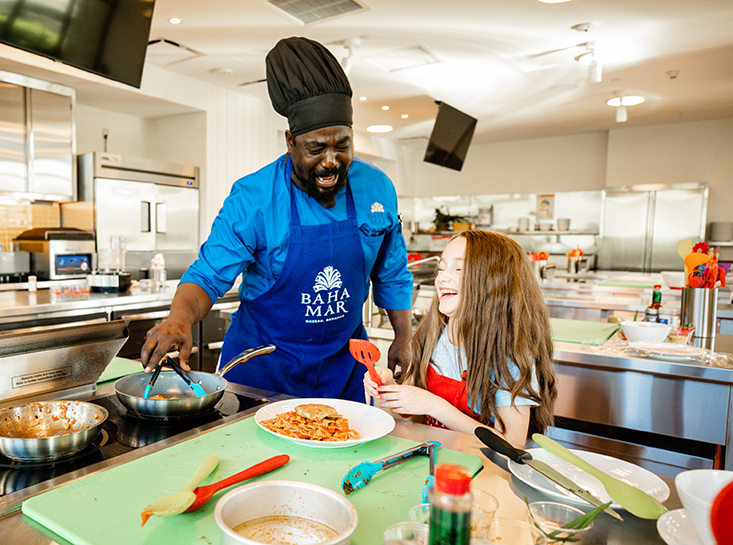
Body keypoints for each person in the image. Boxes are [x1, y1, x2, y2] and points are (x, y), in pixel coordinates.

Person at [141, 36, 414, 402]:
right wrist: (179, 318)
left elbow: (391, 272)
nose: (330, 160)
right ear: (290, 141)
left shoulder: (377, 188)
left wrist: (403, 335)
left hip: (344, 367)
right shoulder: (253, 198)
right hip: (262, 368)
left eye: (342, 145)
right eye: (316, 148)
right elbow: (207, 275)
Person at [364, 230, 557, 447]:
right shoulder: (430, 336)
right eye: (441, 268)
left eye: (458, 269)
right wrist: (388, 387)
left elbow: (512, 443)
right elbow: (410, 413)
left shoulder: (509, 355)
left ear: (495, 284)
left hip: (483, 470)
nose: (442, 278)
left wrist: (435, 406)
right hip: (432, 461)